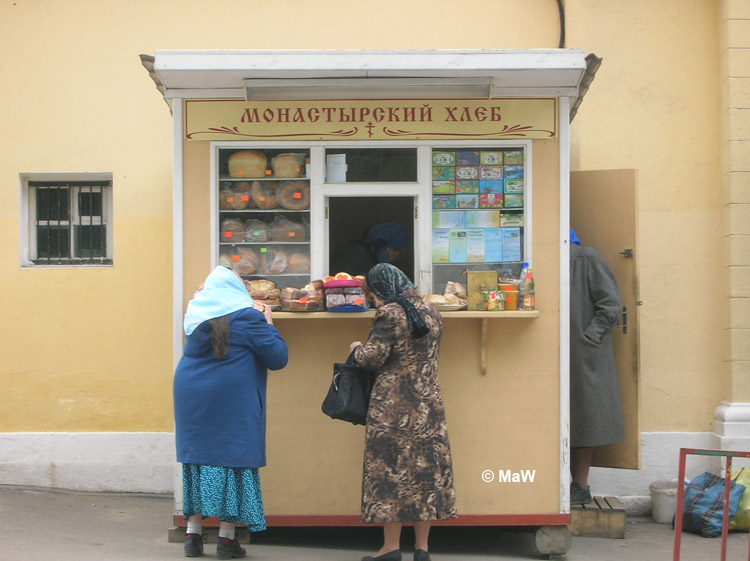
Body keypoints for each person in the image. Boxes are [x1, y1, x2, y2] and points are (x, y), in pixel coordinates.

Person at [173, 265, 288, 559]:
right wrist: (269, 322)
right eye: (243, 285)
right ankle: (226, 539)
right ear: (235, 290)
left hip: (192, 395)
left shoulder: (196, 312)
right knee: (231, 461)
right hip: (231, 399)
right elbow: (278, 358)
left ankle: (193, 535)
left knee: (199, 461)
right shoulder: (248, 317)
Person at [348, 263, 457, 561]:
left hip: (392, 408)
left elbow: (373, 357)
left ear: (383, 287)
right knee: (425, 475)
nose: (374, 301)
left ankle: (390, 548)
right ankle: (422, 549)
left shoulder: (390, 314)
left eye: (373, 295)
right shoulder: (432, 312)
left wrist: (356, 347)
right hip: (428, 406)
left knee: (389, 475)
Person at [569, 228, 625, 505]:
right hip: (555, 353)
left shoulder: (587, 258)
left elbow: (611, 305)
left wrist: (590, 335)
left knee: (585, 417)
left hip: (582, 353)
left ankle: (580, 484)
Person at [330, 221, 408, 277]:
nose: (396, 255)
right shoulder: (357, 253)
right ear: (379, 244)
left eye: (401, 252)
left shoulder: (370, 254)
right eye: (395, 249)